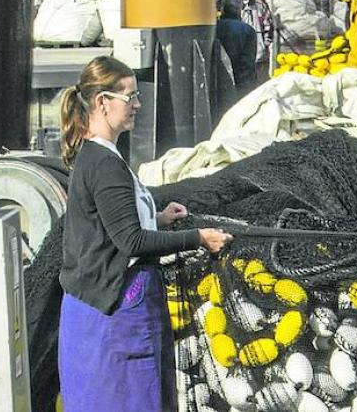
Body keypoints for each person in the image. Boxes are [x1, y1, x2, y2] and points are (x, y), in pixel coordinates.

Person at [58, 56, 233, 412]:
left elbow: (109, 224)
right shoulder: (105, 165)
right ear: (102, 103)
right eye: (130, 97)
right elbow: (132, 242)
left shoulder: (98, 156)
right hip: (116, 311)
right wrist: (198, 237)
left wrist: (158, 217)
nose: (138, 104)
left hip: (95, 305)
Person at [230, 0, 275, 81]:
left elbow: (269, 26)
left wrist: (265, 45)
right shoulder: (230, 5)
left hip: (259, 56)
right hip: (240, 56)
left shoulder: (259, 4)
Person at [216, 0, 259, 92]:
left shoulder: (214, 29)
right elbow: (247, 64)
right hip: (241, 86)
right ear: (240, 9)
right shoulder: (248, 31)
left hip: (218, 84)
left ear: (222, 8)